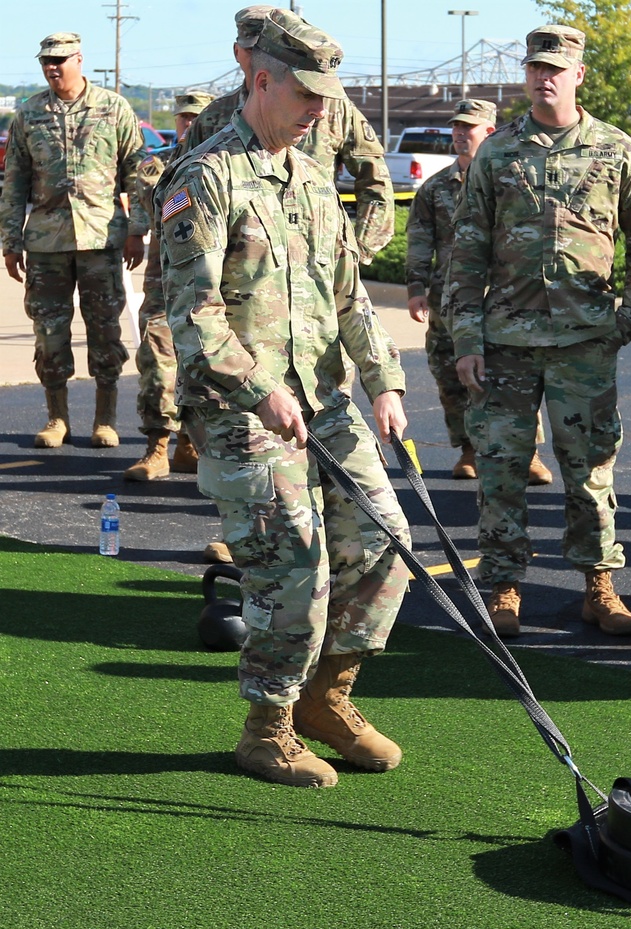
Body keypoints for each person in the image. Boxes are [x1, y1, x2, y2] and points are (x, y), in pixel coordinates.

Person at [157, 10, 411, 788]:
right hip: (242, 412)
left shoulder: (309, 177)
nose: (318, 110)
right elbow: (193, 316)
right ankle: (266, 724)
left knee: (385, 544)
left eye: (325, 96)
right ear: (257, 78)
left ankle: (327, 698)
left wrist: (386, 384)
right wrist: (261, 390)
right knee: (295, 568)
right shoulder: (204, 177)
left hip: (324, 402)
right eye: (304, 94)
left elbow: (349, 295)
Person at [448, 25, 631, 638]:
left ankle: (599, 586)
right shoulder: (498, 152)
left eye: (555, 68)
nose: (543, 77)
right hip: (507, 344)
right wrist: (466, 338)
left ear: (578, 75)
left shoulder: (616, 151)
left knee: (591, 472)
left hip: (584, 343)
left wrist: (630, 316)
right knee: (501, 470)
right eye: (534, 67)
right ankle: (505, 589)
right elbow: (466, 253)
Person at [0, 32, 147, 449]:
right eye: (46, 60)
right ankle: (57, 419)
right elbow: (14, 183)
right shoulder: (29, 114)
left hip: (102, 239)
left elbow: (136, 171)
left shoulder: (113, 108)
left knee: (105, 333)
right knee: (49, 334)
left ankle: (104, 419)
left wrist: (137, 229)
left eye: (60, 59)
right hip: (46, 243)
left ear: (79, 59)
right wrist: (10, 242)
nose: (52, 66)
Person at [405, 97, 552, 485]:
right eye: (455, 126)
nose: (459, 134)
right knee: (451, 377)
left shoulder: (513, 181)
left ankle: (529, 453)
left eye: (467, 127)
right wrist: (416, 287)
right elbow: (420, 238)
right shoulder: (436, 187)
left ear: (489, 132)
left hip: (503, 296)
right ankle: (468, 449)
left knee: (512, 375)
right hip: (449, 300)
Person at [180, 5, 394, 265]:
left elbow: (376, 182)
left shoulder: (334, 109)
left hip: (316, 265)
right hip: (242, 276)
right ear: (238, 52)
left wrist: (356, 252)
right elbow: (180, 198)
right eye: (252, 50)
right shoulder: (213, 116)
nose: (318, 110)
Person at [124, 89, 215, 482]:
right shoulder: (158, 165)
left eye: (198, 118)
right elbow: (150, 202)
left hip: (213, 288)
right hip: (165, 286)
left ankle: (190, 447)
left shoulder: (228, 162)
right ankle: (157, 446)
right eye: (184, 118)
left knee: (206, 367)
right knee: (157, 362)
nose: (190, 124)